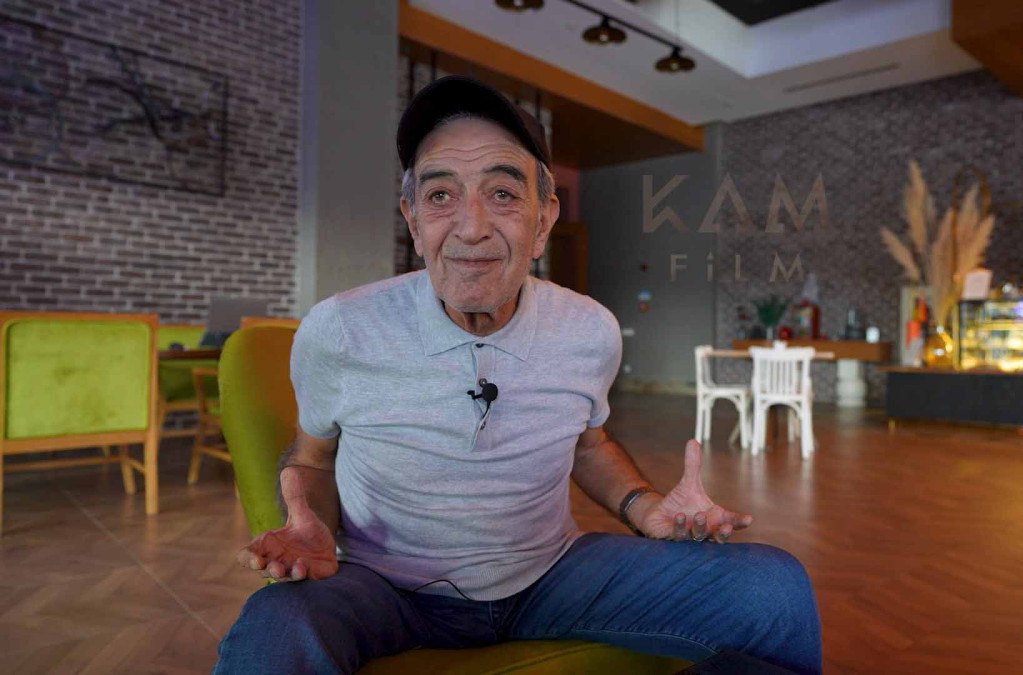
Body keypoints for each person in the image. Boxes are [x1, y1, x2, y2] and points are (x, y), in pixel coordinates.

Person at [215, 76, 821, 674]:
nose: (471, 226)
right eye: (440, 195)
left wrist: (646, 508)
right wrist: (315, 528)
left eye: (503, 193)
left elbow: (590, 444)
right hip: (383, 586)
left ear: (543, 220)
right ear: (413, 220)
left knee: (771, 588)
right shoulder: (342, 329)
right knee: (275, 628)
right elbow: (313, 458)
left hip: (550, 576)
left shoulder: (590, 329)